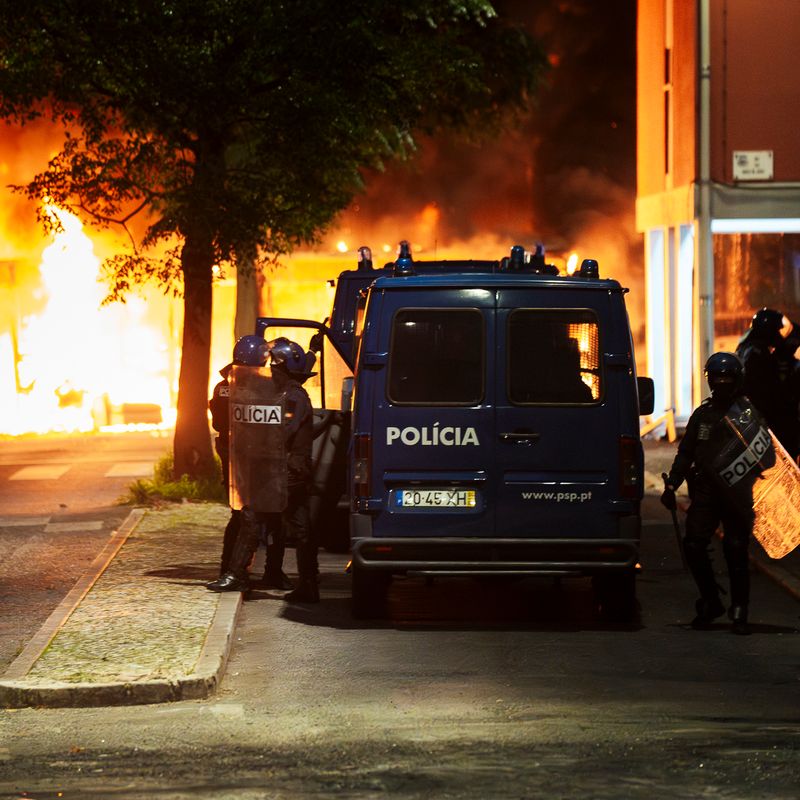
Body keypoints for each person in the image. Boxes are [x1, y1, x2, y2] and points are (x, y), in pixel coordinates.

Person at [660, 352, 771, 636]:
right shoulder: (703, 415)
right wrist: (672, 482)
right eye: (717, 379)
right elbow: (686, 453)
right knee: (694, 545)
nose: (721, 384)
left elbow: (769, 457)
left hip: (738, 493)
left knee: (735, 550)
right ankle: (711, 600)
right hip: (707, 492)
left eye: (726, 379)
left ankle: (739, 609)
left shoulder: (749, 415)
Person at [207, 337, 319, 603]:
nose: (270, 371)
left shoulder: (291, 396)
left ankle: (236, 574)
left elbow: (282, 432)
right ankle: (308, 584)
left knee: (252, 514)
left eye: (274, 367)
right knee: (300, 528)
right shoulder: (287, 391)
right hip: (290, 468)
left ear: (282, 369)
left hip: (286, 470)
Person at [736, 308, 800, 460]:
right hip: (767, 421)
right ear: (769, 331)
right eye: (777, 330)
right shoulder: (757, 355)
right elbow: (771, 394)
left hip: (760, 418)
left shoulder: (752, 349)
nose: (780, 334)